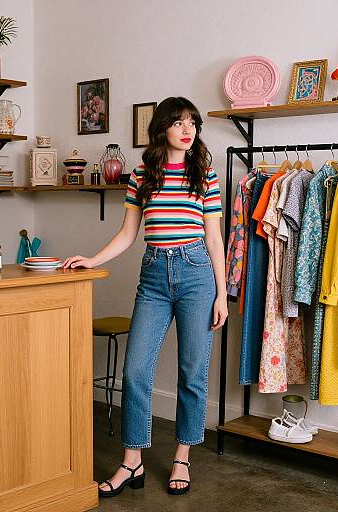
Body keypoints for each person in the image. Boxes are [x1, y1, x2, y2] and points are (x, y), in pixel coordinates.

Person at [62, 96, 227, 497]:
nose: (187, 130)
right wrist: (92, 259)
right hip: (153, 276)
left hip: (196, 277)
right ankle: (131, 462)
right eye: (179, 122)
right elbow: (127, 233)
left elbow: (214, 237)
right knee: (135, 372)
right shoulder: (142, 175)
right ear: (162, 128)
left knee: (192, 373)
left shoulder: (204, 174)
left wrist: (222, 293)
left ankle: (182, 456)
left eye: (193, 122)